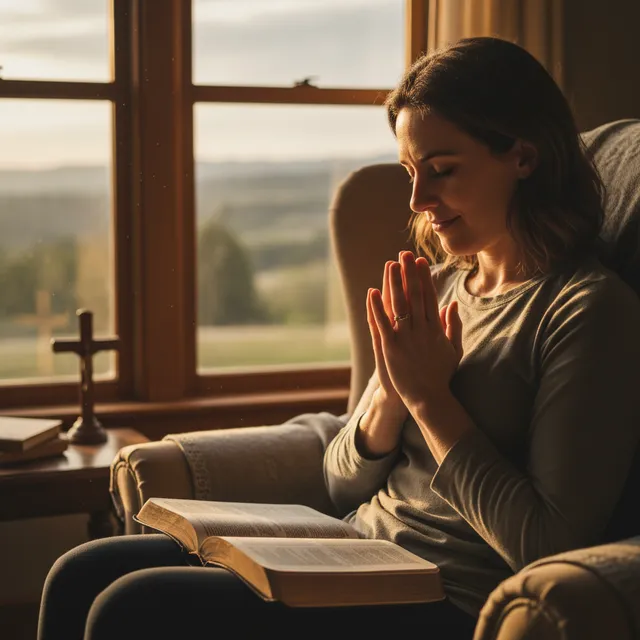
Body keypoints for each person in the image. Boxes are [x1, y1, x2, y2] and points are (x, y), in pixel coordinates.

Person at [37, 36, 640, 640]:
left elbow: (550, 544)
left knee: (133, 608)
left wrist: (431, 401)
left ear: (524, 158)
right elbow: (340, 481)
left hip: (445, 596)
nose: (418, 201)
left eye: (442, 171)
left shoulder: (587, 310)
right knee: (81, 571)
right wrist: (389, 394)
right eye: (410, 172)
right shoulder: (435, 287)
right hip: (357, 552)